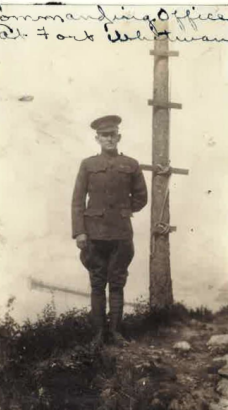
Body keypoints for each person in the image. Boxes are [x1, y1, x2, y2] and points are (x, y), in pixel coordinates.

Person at [71, 115, 148, 348]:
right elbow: (77, 201)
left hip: (121, 235)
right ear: (97, 138)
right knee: (97, 284)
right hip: (94, 235)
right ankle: (98, 336)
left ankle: (115, 333)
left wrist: (123, 211)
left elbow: (142, 197)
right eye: (104, 135)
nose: (109, 139)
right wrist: (80, 232)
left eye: (113, 134)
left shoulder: (131, 164)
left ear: (119, 136)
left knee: (116, 283)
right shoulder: (87, 165)